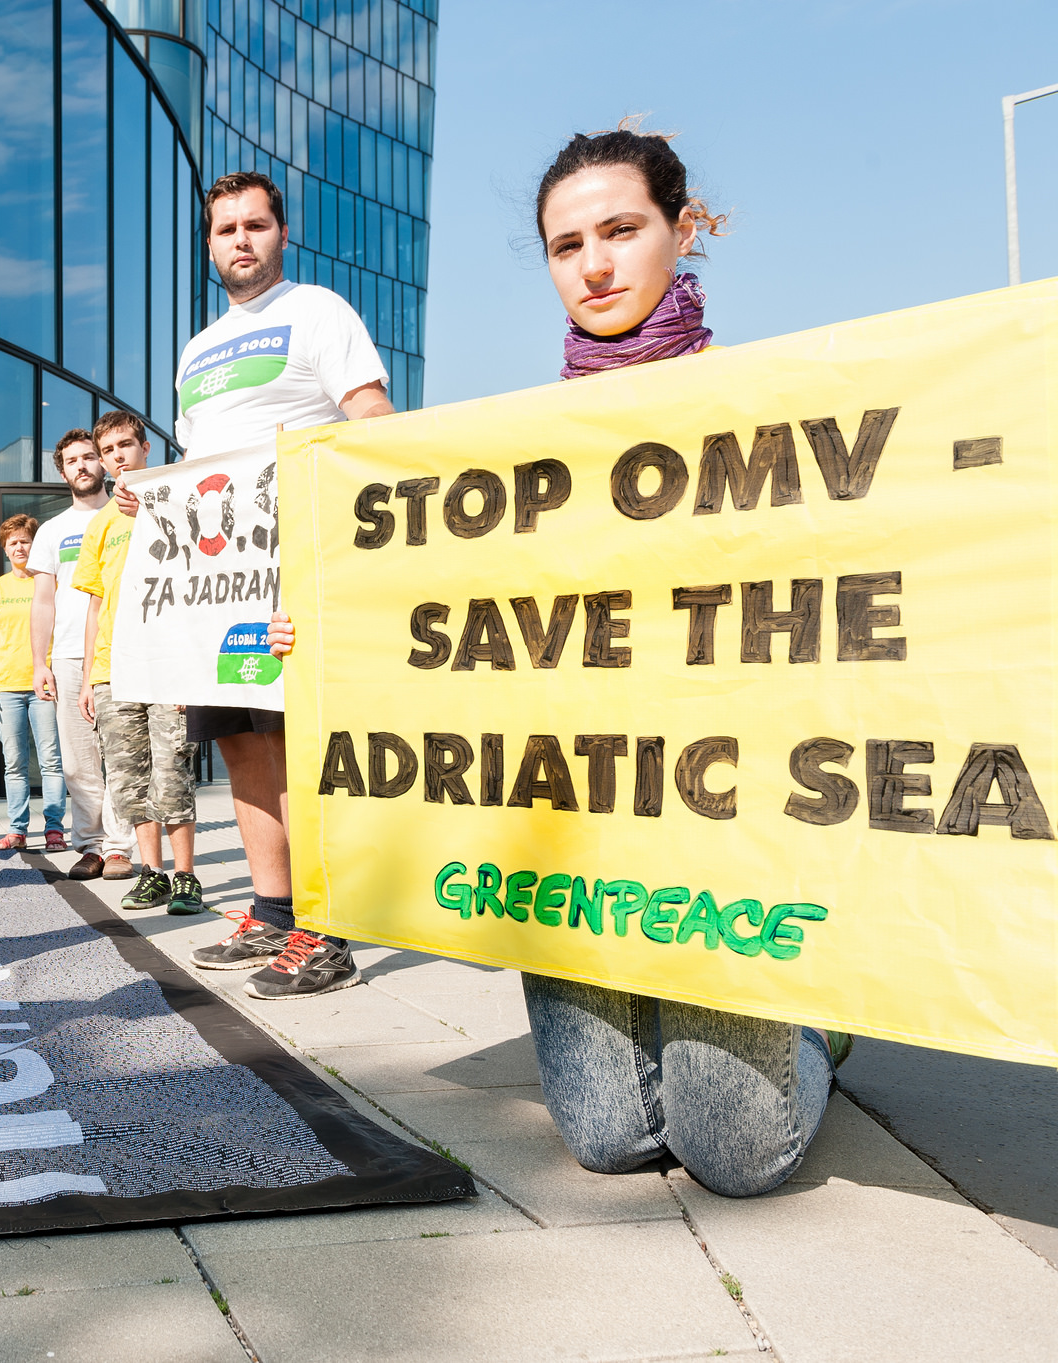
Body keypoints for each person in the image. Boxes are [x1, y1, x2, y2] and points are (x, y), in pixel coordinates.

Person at [281, 125, 846, 1197]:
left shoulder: (766, 400)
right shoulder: (515, 446)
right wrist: (324, 626)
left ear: (682, 232)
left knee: (733, 1153)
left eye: (620, 230)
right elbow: (439, 609)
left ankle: (820, 1021)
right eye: (563, 243)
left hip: (711, 815)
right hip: (572, 813)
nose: (591, 264)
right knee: (607, 1137)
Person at [164, 171, 395, 1002]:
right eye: (224, 228)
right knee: (238, 742)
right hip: (214, 577)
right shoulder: (195, 348)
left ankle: (326, 929)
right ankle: (271, 907)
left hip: (296, 562)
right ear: (210, 243)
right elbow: (198, 462)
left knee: (296, 738)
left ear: (281, 233)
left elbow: (371, 416)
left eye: (254, 224)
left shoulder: (318, 311)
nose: (239, 240)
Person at [75, 411, 206, 915]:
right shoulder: (100, 525)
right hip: (114, 669)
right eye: (108, 451)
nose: (118, 457)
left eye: (126, 445)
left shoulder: (176, 503)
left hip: (169, 663)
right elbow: (95, 605)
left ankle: (186, 877)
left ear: (146, 447)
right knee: (129, 781)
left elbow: (198, 589)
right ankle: (151, 875)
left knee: (172, 772)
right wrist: (89, 677)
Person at [29, 430, 136, 880]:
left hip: (124, 650)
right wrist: (39, 662)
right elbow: (42, 601)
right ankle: (90, 844)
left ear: (102, 462)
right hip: (69, 656)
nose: (83, 465)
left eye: (90, 457)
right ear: (62, 471)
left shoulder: (129, 512)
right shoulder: (52, 531)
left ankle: (119, 848)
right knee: (76, 760)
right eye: (72, 460)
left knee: (122, 755)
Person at [0, 513, 67, 851]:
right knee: (14, 763)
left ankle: (55, 829)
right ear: (5, 550)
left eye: (25, 540)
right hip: (7, 687)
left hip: (44, 685)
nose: (19, 546)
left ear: (34, 544)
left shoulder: (49, 583)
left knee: (51, 760)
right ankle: (17, 831)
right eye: (12, 543)